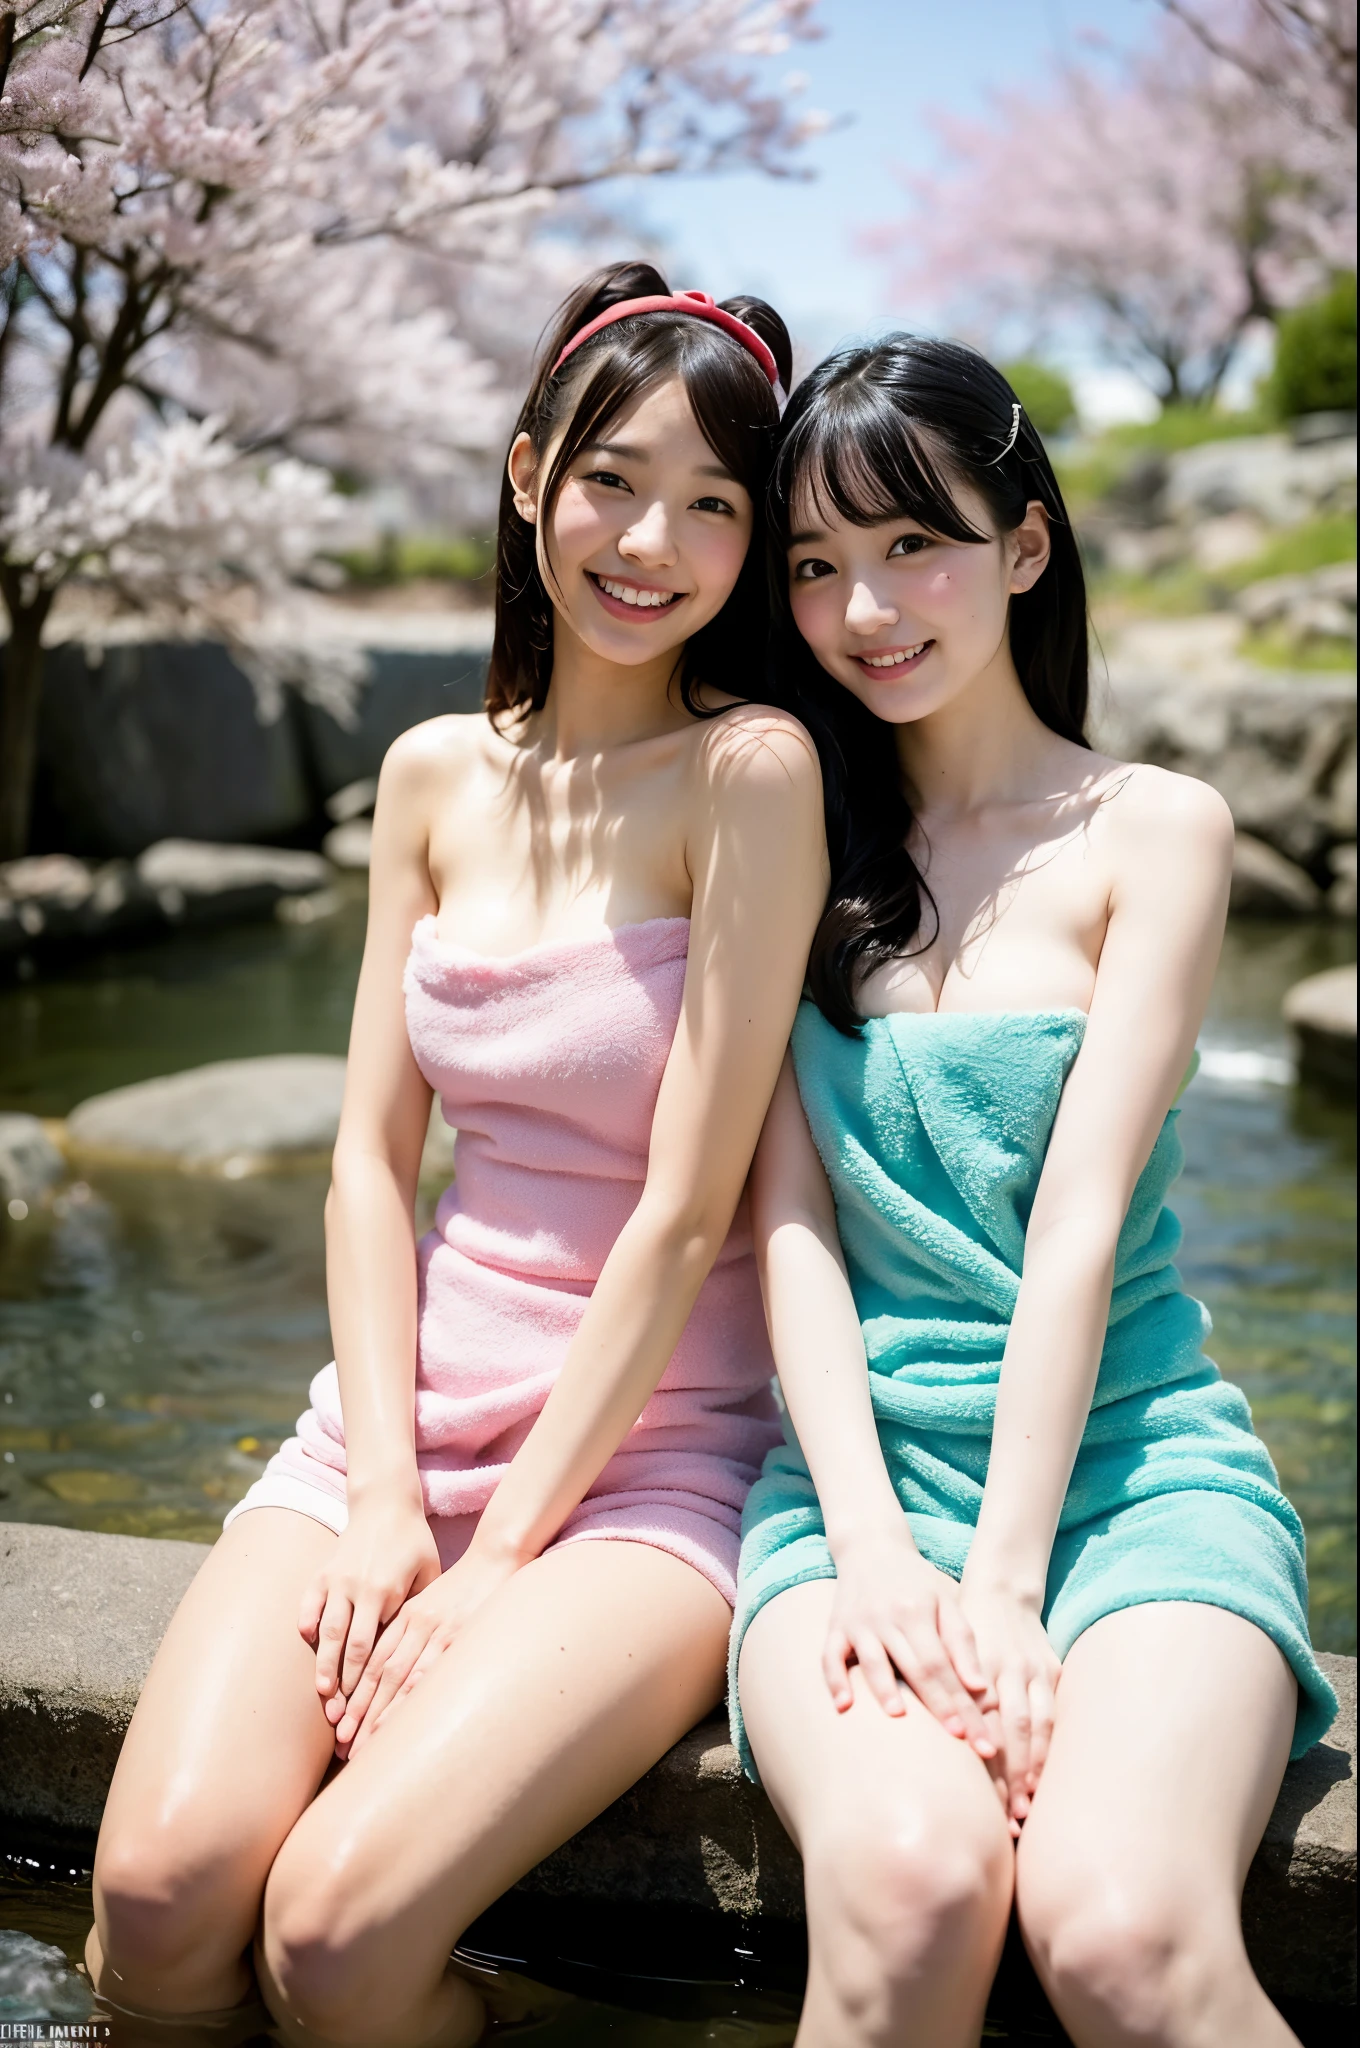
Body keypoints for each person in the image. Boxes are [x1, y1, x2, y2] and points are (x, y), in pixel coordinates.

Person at [84, 261, 826, 2048]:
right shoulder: (430, 774)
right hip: (400, 1426)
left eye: (716, 507)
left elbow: (682, 1212)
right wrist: (388, 1500)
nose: (654, 541)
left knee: (333, 1940)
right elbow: (364, 1158)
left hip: (649, 1461)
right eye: (614, 481)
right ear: (525, 477)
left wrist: (493, 1565)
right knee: (155, 1908)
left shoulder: (751, 774)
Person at [733, 336, 1337, 2048]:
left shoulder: (1159, 830)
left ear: (1025, 543)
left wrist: (1002, 1585)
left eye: (913, 542)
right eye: (817, 565)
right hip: (857, 1485)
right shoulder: (787, 831)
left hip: (1136, 1467)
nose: (867, 607)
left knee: (1125, 1935)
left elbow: (1077, 1231)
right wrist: (867, 1549)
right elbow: (788, 1227)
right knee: (917, 1889)